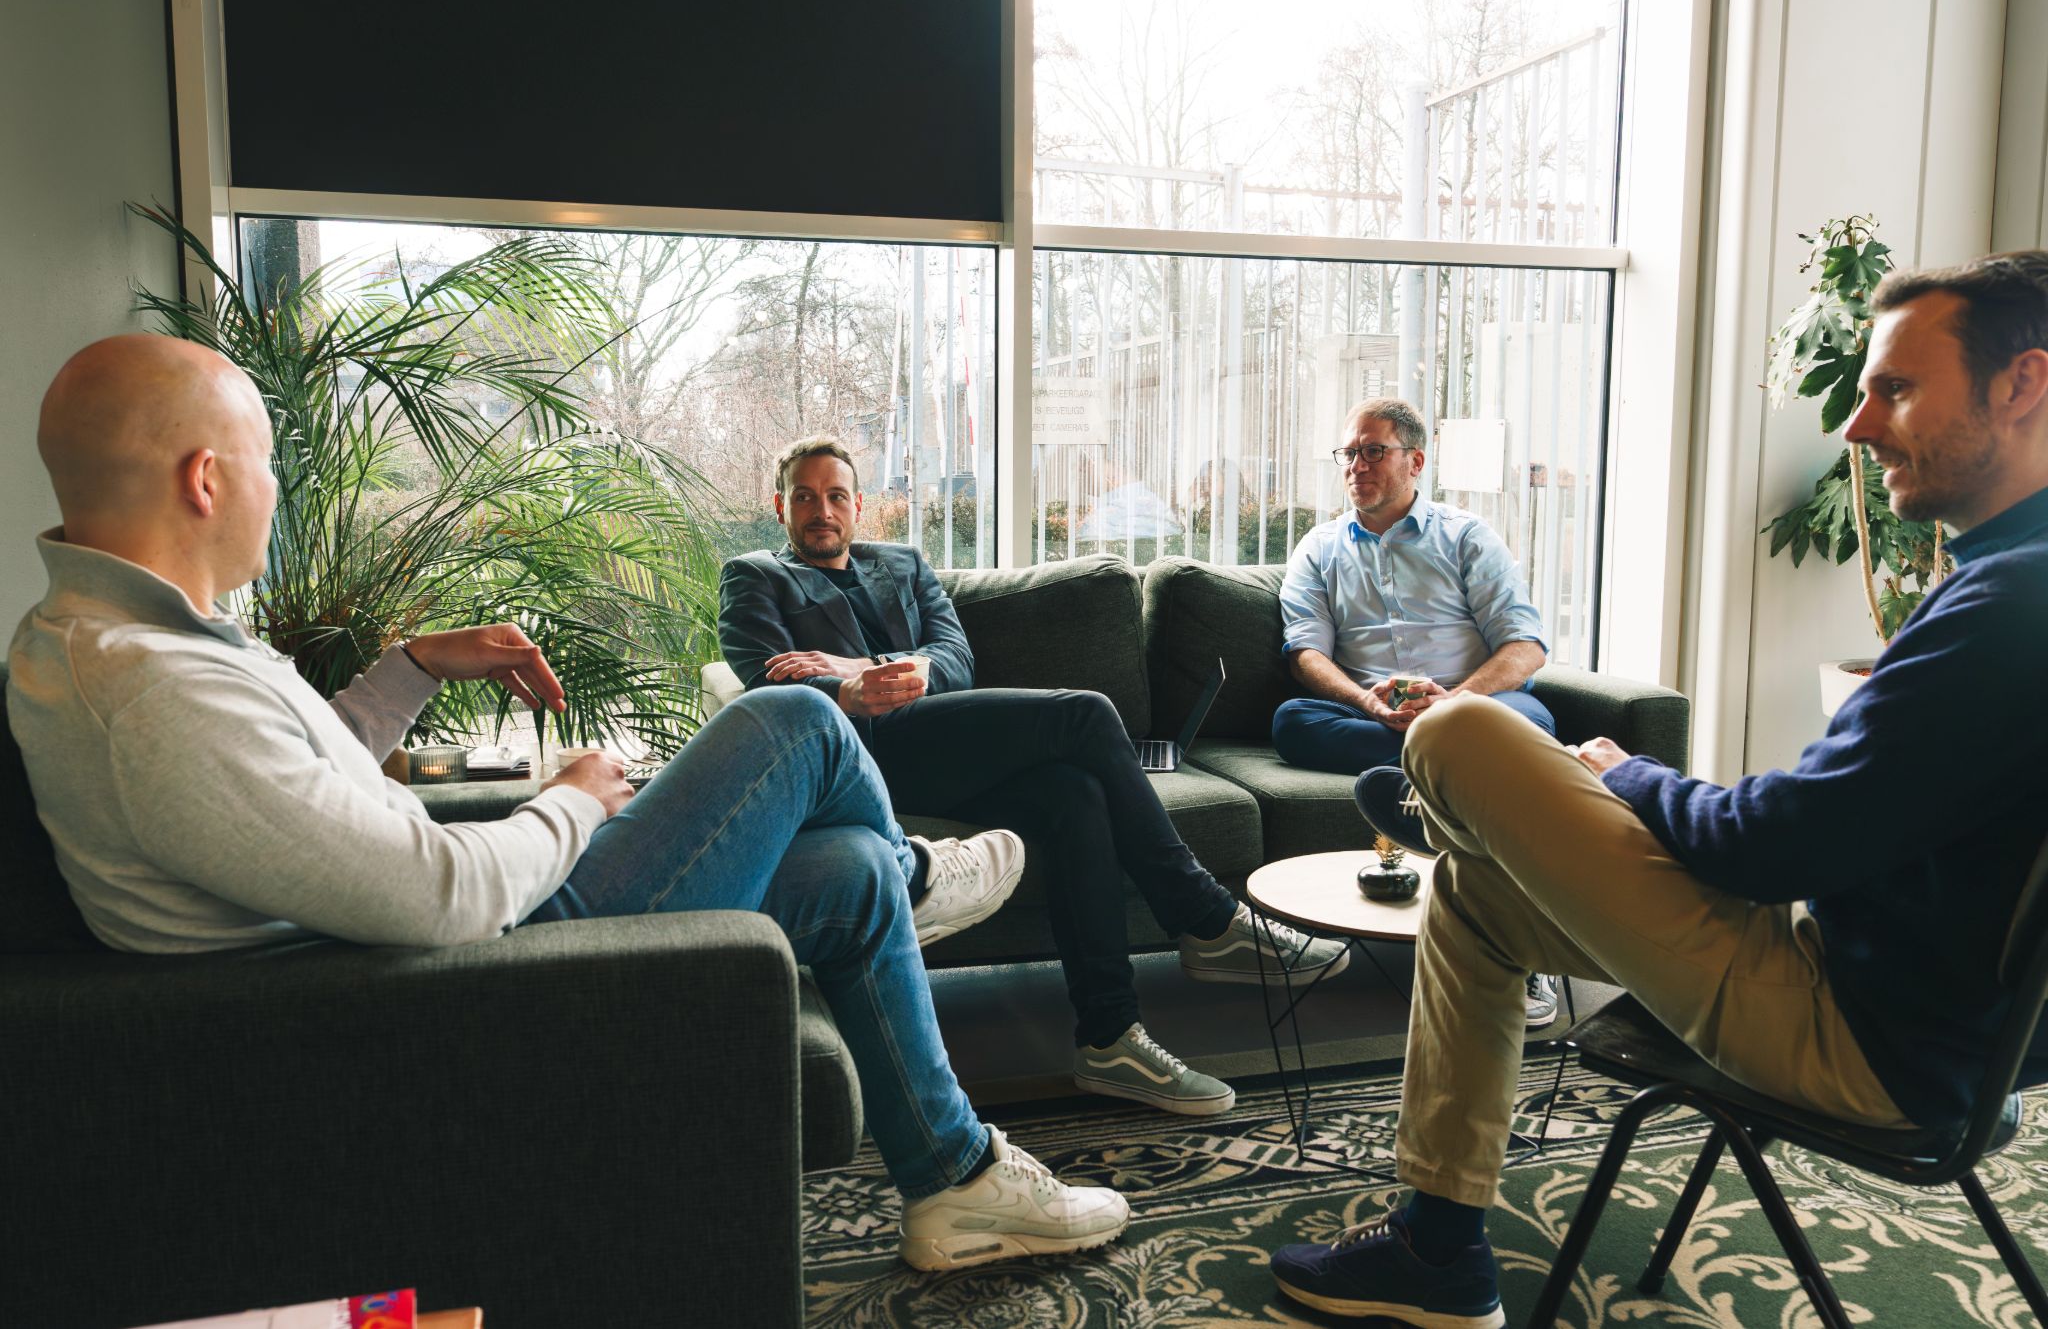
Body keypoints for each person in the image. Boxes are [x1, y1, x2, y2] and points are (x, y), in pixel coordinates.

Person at [7, 334, 1128, 1274]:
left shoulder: (121, 646)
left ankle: (953, 1180)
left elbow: (300, 795)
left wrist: (408, 667)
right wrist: (574, 802)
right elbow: (436, 893)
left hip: (409, 954)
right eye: (262, 462)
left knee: (847, 874)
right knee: (793, 724)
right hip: (467, 974)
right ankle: (926, 879)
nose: (272, 486)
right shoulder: (150, 689)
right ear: (206, 479)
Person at [1267, 255, 2048, 1328]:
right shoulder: (2014, 585)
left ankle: (1458, 814)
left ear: (2020, 387)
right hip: (1940, 1027)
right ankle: (1436, 1247)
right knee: (1474, 896)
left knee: (1455, 732)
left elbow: (1770, 846)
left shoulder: (2008, 607)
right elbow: (1831, 825)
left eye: (1894, 389)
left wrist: (1621, 775)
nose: (1857, 426)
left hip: (1862, 1044)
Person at [718, 436, 1350, 1118]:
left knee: (1072, 796)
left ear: (859, 504)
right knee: (1086, 715)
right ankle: (1208, 916)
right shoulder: (754, 576)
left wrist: (865, 664)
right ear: (781, 505)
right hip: (857, 755)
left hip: (936, 736)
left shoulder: (901, 563)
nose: (822, 511)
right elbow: (767, 681)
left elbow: (955, 656)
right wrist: (850, 689)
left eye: (836, 495)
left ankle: (1111, 1037)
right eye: (805, 497)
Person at [1275, 395, 1560, 1026]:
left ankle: (1521, 953)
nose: (1357, 465)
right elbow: (1305, 654)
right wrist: (1366, 699)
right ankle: (1446, 772)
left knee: (1530, 723)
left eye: (1374, 451)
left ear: (1416, 460)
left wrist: (1455, 706)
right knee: (1293, 721)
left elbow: (1525, 645)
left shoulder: (1465, 537)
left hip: (1472, 702)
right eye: (1348, 453)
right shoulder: (1319, 549)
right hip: (1374, 714)